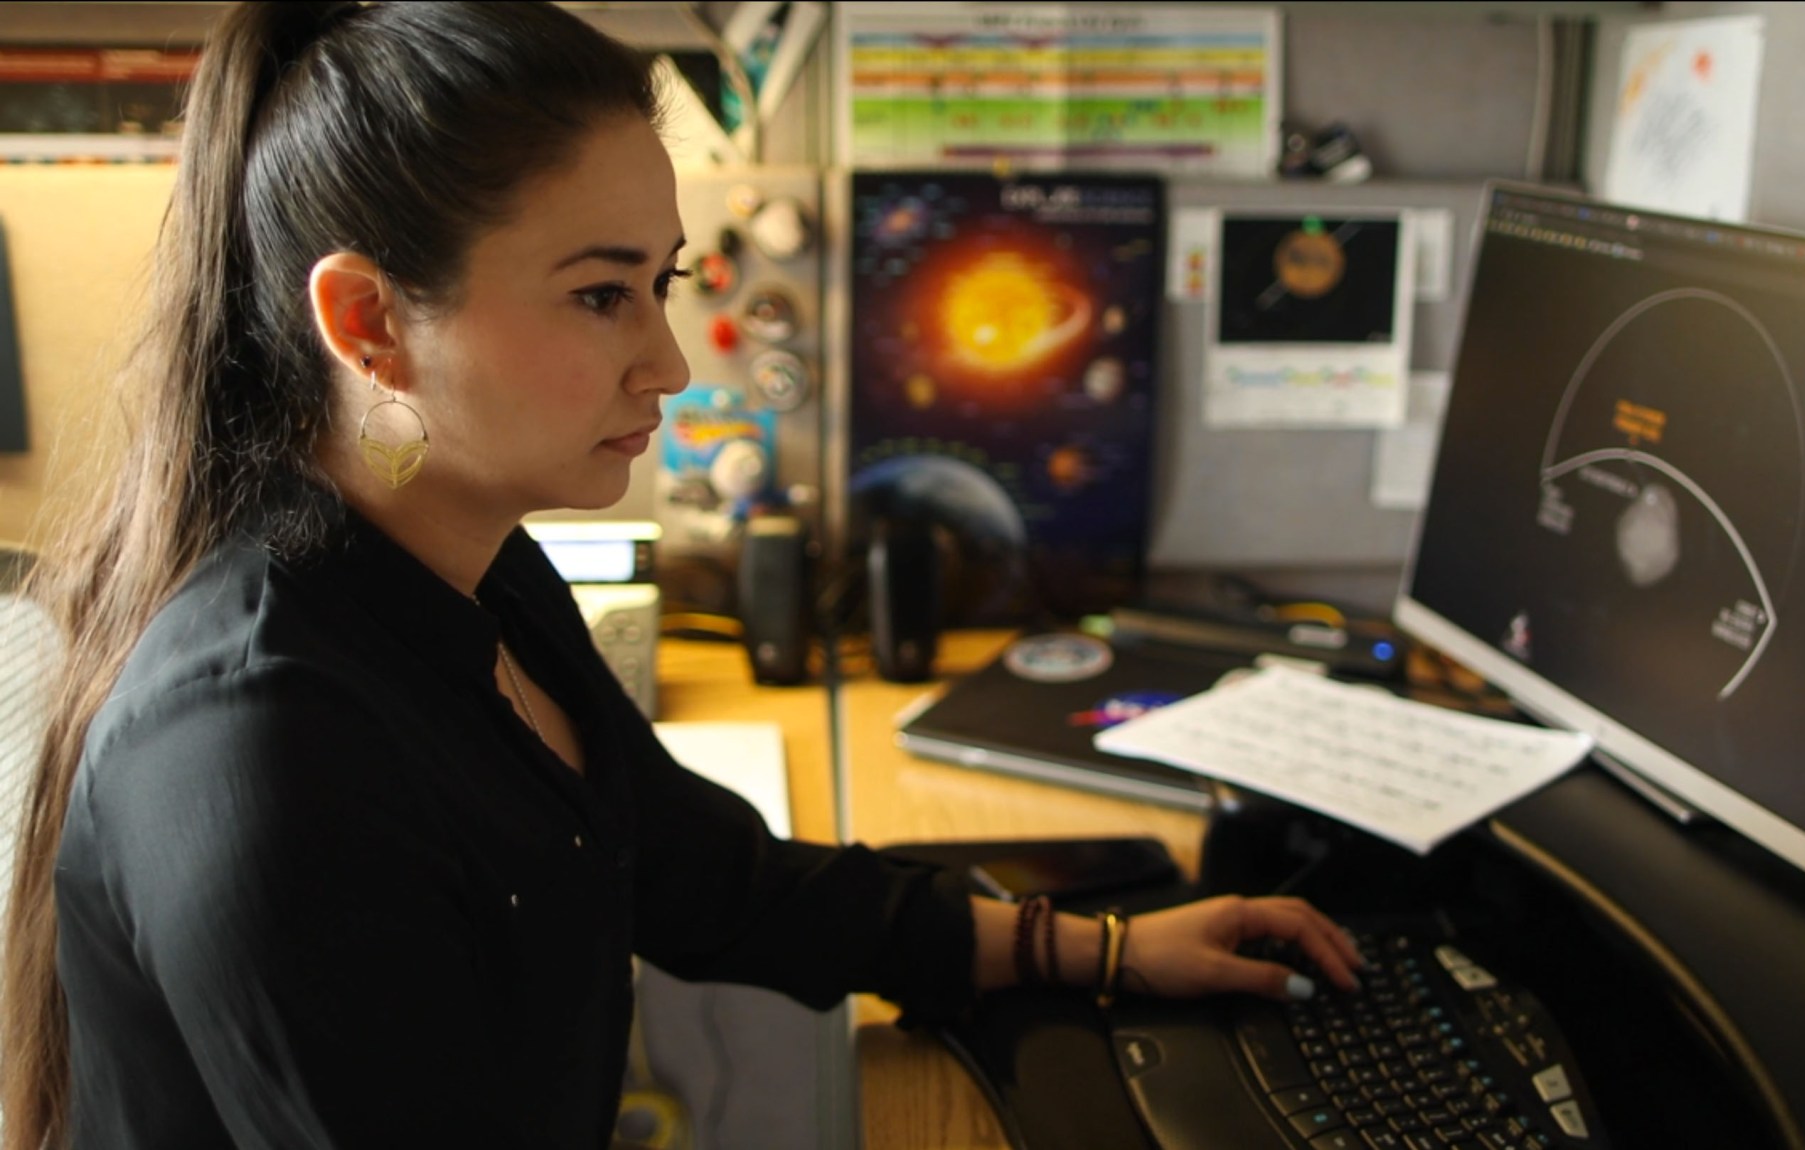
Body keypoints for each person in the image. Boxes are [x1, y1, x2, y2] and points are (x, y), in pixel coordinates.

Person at [0, 4, 1363, 1148]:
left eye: (665, 281)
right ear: (368, 325)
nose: (671, 361)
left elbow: (707, 875)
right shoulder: (265, 757)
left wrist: (1098, 950)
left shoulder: (477, 569)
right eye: (602, 295)